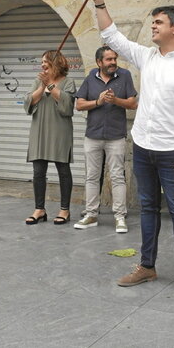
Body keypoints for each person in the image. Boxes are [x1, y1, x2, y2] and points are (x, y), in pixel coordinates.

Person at [87, 0, 174, 301]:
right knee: (147, 208)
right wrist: (100, 2)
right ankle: (147, 266)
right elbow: (111, 36)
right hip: (143, 146)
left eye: (159, 22)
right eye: (153, 22)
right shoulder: (147, 57)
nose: (152, 26)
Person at [73, 46, 138, 233]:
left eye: (114, 59)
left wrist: (115, 100)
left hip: (115, 135)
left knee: (118, 176)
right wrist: (98, 102)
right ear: (99, 62)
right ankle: (91, 214)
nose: (113, 63)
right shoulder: (91, 77)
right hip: (92, 135)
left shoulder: (124, 75)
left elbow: (133, 103)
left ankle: (119, 217)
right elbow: (79, 104)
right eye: (109, 60)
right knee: (92, 177)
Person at [23, 50, 77, 225]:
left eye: (46, 62)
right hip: (39, 130)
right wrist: (42, 86)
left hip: (60, 131)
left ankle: (64, 210)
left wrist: (51, 86)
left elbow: (68, 105)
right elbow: (28, 101)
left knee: (63, 170)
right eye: (42, 62)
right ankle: (40, 209)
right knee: (38, 172)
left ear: (56, 63)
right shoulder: (38, 81)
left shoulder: (68, 82)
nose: (42, 65)